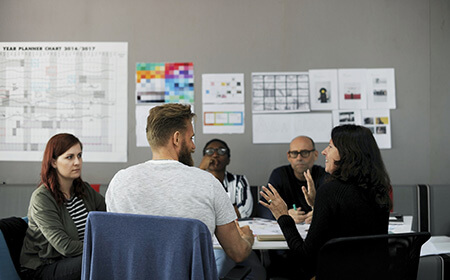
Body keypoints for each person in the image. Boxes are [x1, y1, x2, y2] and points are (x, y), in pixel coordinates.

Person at [106, 104, 254, 270]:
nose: (193, 147)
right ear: (176, 139)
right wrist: (248, 238)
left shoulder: (119, 182)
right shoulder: (208, 183)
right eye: (191, 138)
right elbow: (238, 252)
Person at [260, 125, 392, 280]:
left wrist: (283, 216)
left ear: (346, 153)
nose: (324, 152)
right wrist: (318, 206)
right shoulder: (380, 189)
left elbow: (304, 257)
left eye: (330, 146)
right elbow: (348, 226)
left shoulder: (330, 190)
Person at [20, 133, 106, 280]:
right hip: (44, 266)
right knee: (99, 261)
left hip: (74, 260)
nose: (77, 162)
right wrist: (101, 248)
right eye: (69, 157)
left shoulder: (84, 190)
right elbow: (64, 246)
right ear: (53, 162)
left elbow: (108, 218)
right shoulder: (42, 198)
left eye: (79, 155)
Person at [200, 139, 265, 279]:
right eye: (210, 152)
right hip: (209, 243)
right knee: (220, 264)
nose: (215, 155)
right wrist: (200, 169)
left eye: (221, 151)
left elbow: (244, 212)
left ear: (228, 159)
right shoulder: (197, 181)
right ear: (204, 158)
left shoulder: (239, 181)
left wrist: (213, 213)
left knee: (258, 272)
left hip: (237, 236)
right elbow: (191, 210)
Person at [267, 135, 328, 224]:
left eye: (305, 153)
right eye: (294, 153)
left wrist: (322, 213)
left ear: (315, 155)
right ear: (289, 156)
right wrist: (284, 214)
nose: (299, 158)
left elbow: (335, 208)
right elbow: (264, 209)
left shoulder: (325, 176)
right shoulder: (279, 174)